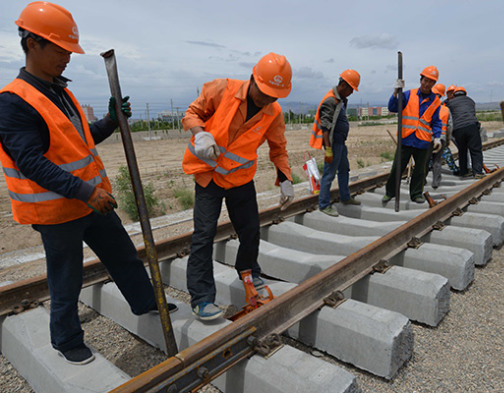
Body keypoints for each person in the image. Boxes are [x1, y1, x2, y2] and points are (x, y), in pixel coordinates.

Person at [0, 2, 175, 366]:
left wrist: (111, 120)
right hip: (58, 209)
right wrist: (85, 191)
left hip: (91, 201)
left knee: (123, 256)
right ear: (33, 44)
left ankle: (145, 303)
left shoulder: (59, 91)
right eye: (61, 49)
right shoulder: (14, 101)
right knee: (66, 278)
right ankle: (66, 340)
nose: (68, 58)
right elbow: (30, 162)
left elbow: (79, 142)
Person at [181, 52, 295, 320]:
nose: (267, 100)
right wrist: (200, 134)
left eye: (274, 96)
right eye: (265, 92)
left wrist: (286, 179)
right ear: (253, 78)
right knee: (204, 234)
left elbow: (278, 148)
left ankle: (249, 272)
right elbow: (192, 113)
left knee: (251, 229)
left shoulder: (273, 113)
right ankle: (201, 298)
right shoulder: (222, 90)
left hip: (240, 179)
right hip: (208, 175)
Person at [382, 66, 442, 204]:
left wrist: (437, 137)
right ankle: (390, 193)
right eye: (425, 80)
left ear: (434, 84)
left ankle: (416, 194)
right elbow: (392, 107)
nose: (427, 84)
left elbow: (436, 121)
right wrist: (396, 93)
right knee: (397, 168)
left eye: (431, 82)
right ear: (421, 80)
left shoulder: (435, 101)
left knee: (420, 171)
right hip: (406, 139)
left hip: (423, 141)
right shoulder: (408, 94)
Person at [310, 70, 361, 217]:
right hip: (333, 145)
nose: (352, 92)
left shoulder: (340, 99)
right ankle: (324, 205)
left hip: (341, 144)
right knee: (329, 174)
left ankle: (345, 197)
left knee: (344, 170)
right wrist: (328, 151)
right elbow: (325, 127)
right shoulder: (331, 100)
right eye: (351, 89)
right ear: (344, 85)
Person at [446, 86, 485, 179]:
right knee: (475, 150)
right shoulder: (471, 101)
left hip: (458, 129)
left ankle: (464, 172)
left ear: (454, 94)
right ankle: (478, 172)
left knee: (462, 150)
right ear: (465, 93)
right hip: (472, 127)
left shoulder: (450, 103)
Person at [426, 83, 455, 188]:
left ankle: (421, 180)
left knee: (424, 160)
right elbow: (450, 126)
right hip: (441, 138)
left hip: (427, 138)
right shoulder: (446, 109)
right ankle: (435, 182)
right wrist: (447, 140)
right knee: (437, 161)